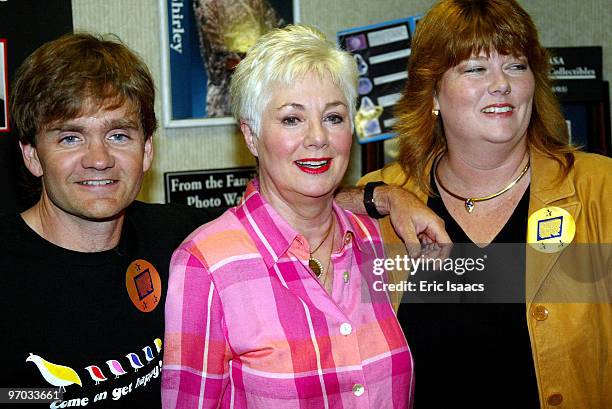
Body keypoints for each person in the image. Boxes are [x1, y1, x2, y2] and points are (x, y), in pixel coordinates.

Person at [359, 0, 612, 408]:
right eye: (475, 69)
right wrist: (381, 196)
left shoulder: (600, 189)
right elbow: (283, 208)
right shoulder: (383, 199)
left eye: (516, 65)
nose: (502, 85)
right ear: (433, 93)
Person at [162, 25, 414, 408]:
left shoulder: (378, 240)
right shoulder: (207, 264)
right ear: (251, 136)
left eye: (333, 117)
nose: (318, 138)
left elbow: (494, 290)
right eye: (292, 119)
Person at [0, 33, 219, 408]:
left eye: (118, 134)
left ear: (146, 150)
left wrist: (356, 196)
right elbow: (9, 396)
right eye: (70, 138)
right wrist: (55, 395)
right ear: (33, 155)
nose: (99, 159)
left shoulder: (182, 240)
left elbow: (286, 214)